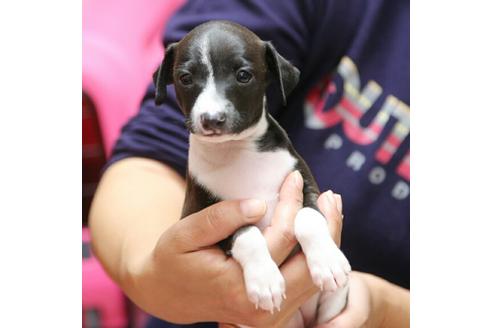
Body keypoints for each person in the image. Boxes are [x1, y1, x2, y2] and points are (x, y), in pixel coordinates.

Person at [89, 0, 410, 327]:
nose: (211, 113)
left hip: (336, 303)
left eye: (242, 76)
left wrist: (383, 309)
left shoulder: (281, 156)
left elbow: (310, 210)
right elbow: (152, 150)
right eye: (186, 79)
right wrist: (149, 273)